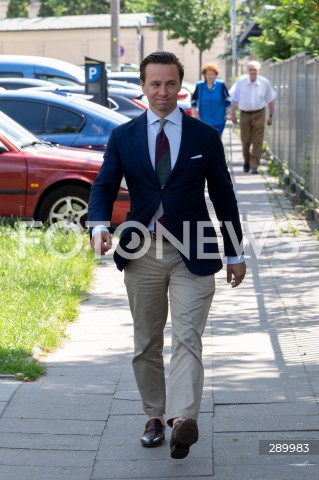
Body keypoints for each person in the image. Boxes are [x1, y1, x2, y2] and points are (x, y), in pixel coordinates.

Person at [88, 51, 246, 460]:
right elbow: (104, 186)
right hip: (141, 252)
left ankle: (182, 420)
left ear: (181, 86)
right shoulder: (123, 136)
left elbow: (224, 197)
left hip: (193, 252)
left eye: (170, 83)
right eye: (155, 84)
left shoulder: (203, 137)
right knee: (146, 343)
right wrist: (100, 225)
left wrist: (235, 252)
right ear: (143, 86)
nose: (162, 91)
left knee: (188, 339)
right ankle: (154, 416)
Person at [230, 60, 276, 174]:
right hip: (244, 114)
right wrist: (232, 114)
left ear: (258, 71)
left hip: (259, 113)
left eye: (254, 69)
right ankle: (246, 161)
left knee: (258, 140)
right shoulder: (241, 82)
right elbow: (234, 99)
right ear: (248, 70)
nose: (252, 71)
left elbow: (271, 100)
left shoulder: (265, 82)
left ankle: (254, 165)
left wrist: (270, 115)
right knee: (245, 140)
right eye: (250, 69)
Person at [191, 63, 231, 136]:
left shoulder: (221, 85)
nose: (210, 76)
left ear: (216, 75)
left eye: (213, 74)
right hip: (204, 119)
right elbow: (193, 100)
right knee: (206, 140)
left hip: (219, 119)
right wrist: (194, 114)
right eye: (208, 74)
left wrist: (228, 114)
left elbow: (228, 100)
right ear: (205, 75)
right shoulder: (199, 85)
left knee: (217, 140)